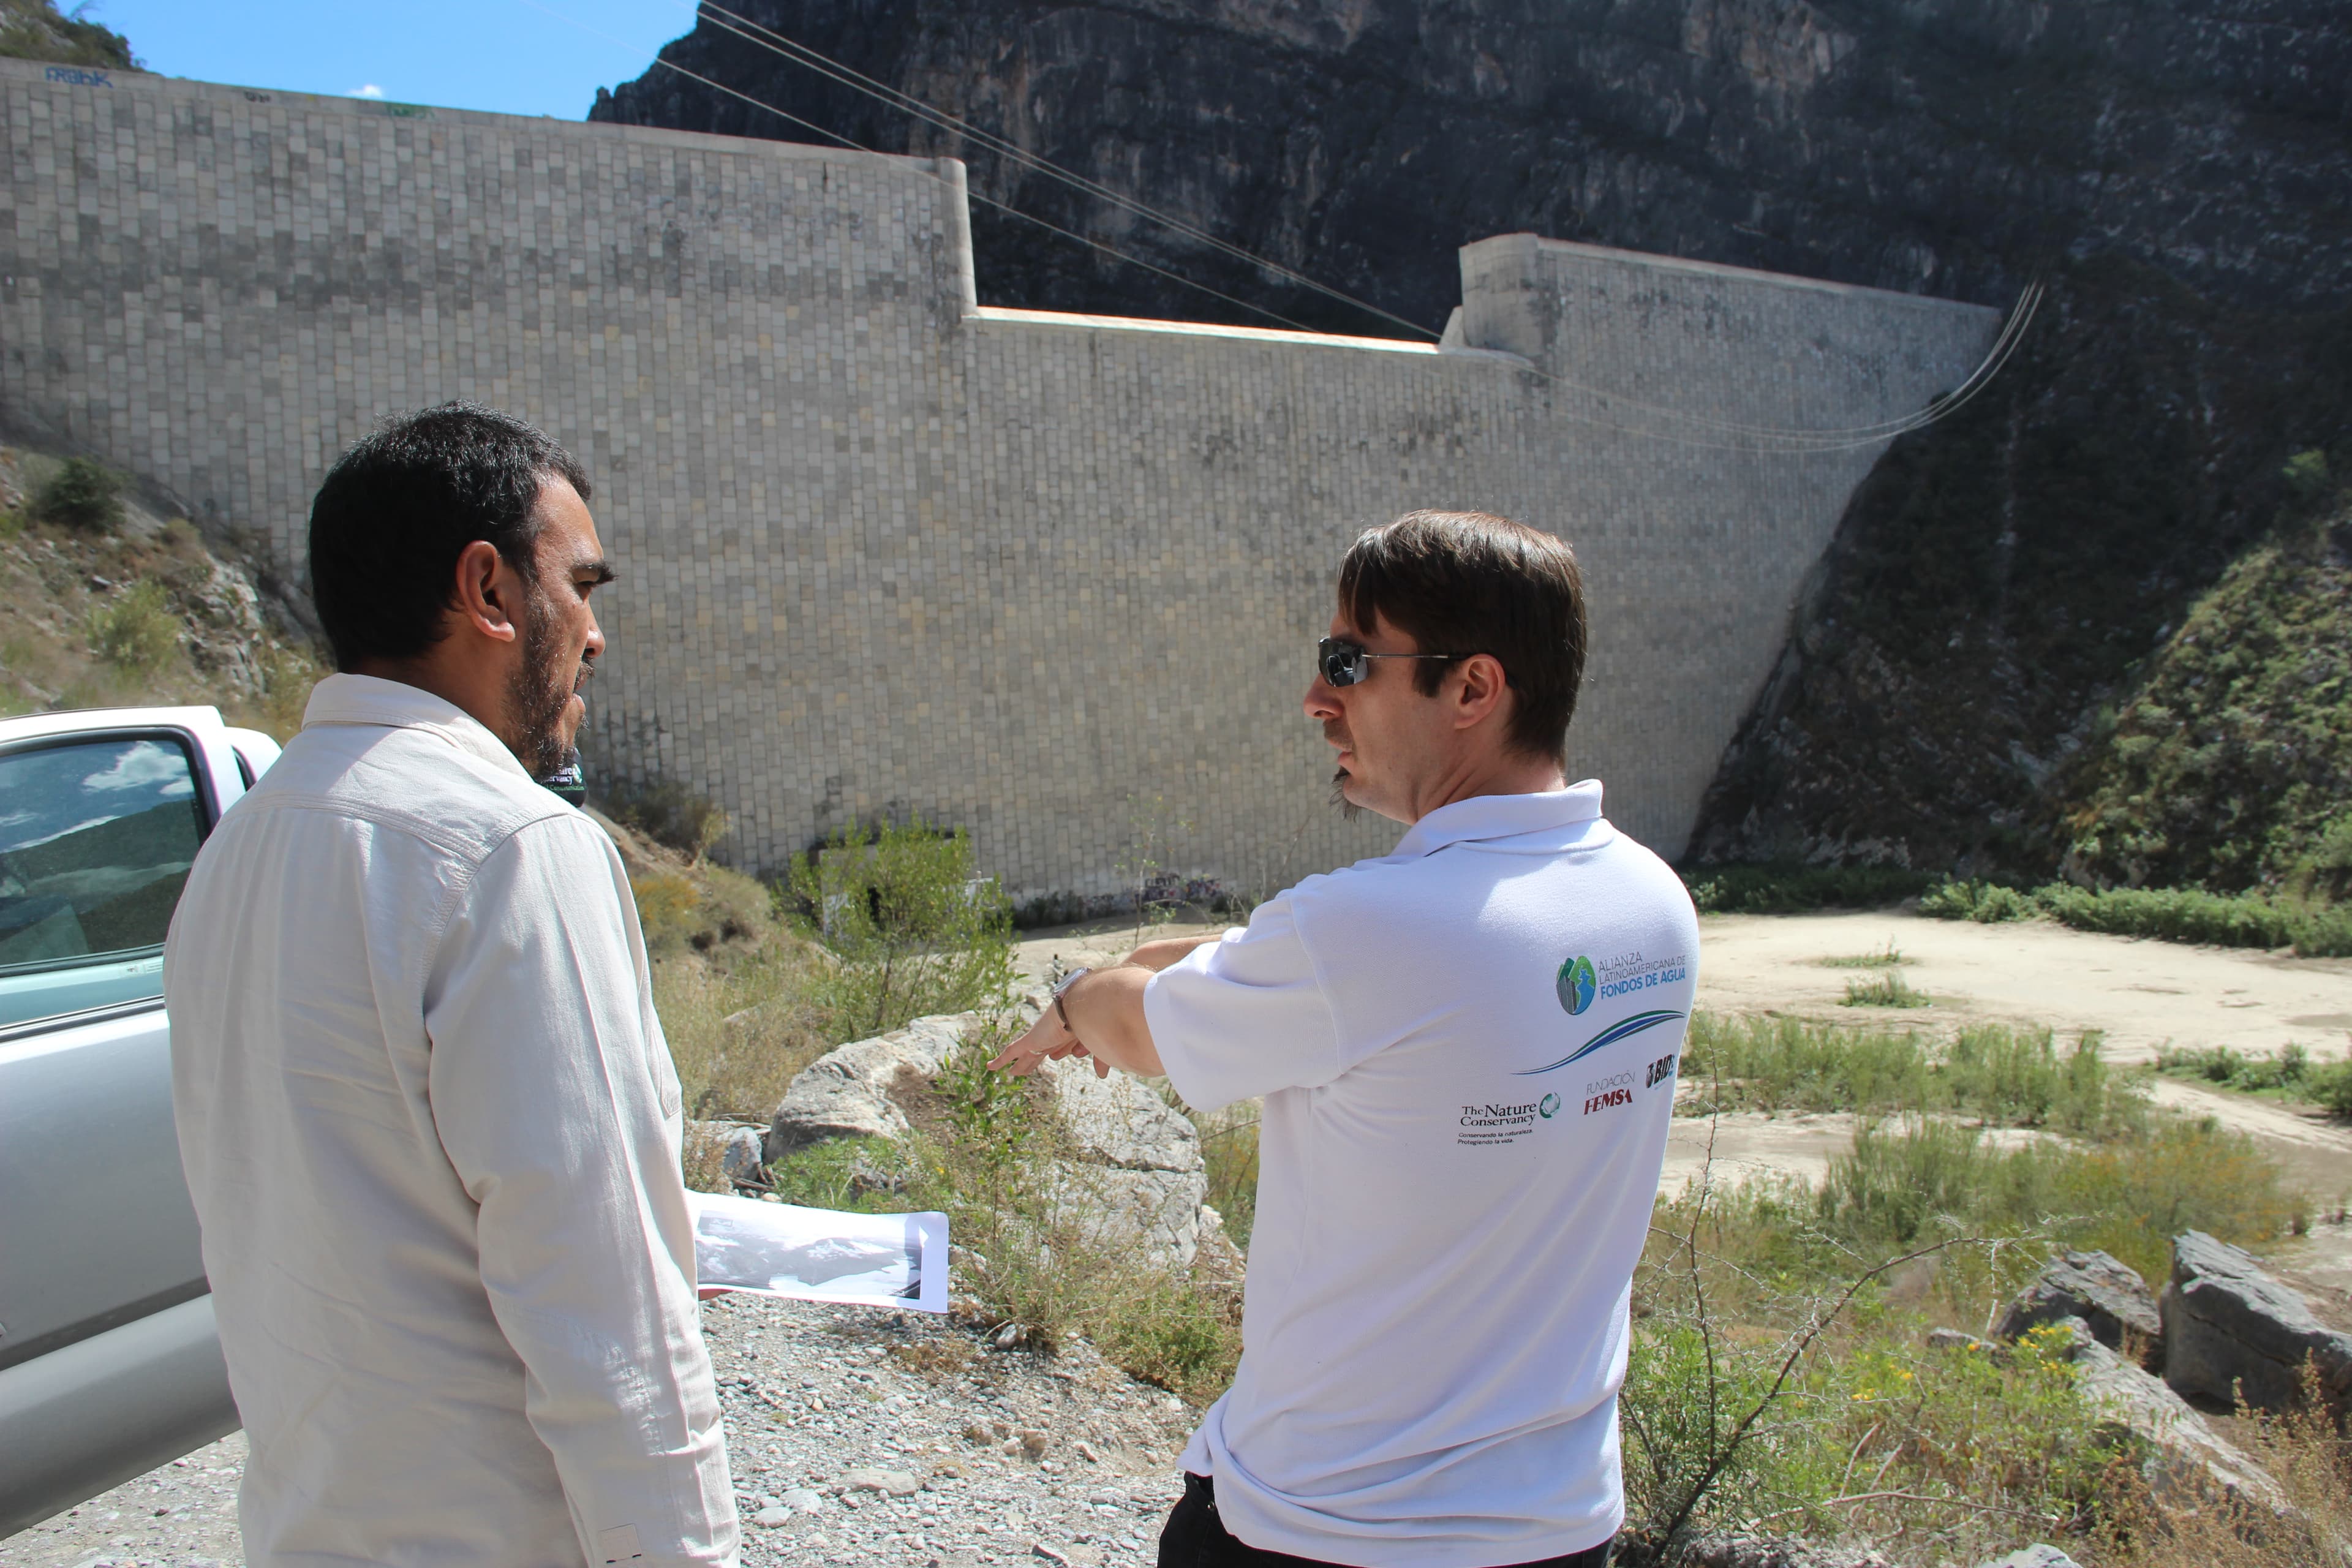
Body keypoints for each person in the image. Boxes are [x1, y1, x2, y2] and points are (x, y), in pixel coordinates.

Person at [993, 510, 1697, 1568]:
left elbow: (1137, 1030)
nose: (1319, 699)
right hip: (1559, 1525)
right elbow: (1344, 981)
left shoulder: (1364, 931)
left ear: (1473, 689)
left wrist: (1075, 991)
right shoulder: (1651, 902)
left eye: (1350, 662)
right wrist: (1197, 955)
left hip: (1331, 1527)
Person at [164, 404, 737, 1566]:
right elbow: (605, 1314)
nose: (596, 637)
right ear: (489, 591)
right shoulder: (510, 849)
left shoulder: (240, 848)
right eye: (581, 586)